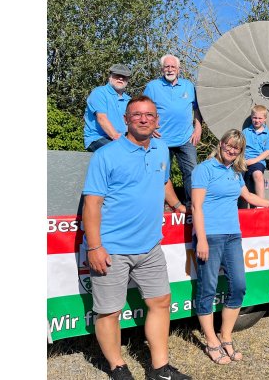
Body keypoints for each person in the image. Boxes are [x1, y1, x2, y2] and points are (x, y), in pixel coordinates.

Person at [81, 95, 191, 380]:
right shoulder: (106, 155)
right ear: (127, 120)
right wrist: (94, 246)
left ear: (157, 120)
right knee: (108, 312)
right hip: (112, 248)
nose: (143, 119)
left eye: (149, 115)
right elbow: (92, 204)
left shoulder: (161, 149)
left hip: (150, 246)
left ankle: (159, 368)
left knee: (161, 302)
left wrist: (179, 205)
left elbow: (163, 180)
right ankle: (118, 367)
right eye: (137, 114)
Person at [192, 129, 269, 365]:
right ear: (221, 144)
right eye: (229, 145)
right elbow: (196, 207)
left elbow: (249, 197)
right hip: (209, 236)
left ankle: (226, 336)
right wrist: (201, 239)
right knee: (207, 289)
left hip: (233, 236)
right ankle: (211, 340)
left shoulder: (235, 172)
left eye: (237, 148)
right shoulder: (204, 169)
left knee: (239, 286)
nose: (231, 151)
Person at [143, 54, 203, 206]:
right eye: (167, 67)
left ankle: (192, 207)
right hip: (160, 139)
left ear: (179, 69)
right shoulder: (152, 87)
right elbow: (144, 109)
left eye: (173, 67)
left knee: (192, 172)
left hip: (186, 138)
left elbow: (197, 109)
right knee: (161, 173)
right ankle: (161, 206)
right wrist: (149, 128)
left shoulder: (188, 85)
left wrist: (198, 127)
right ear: (162, 69)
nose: (170, 69)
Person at [83, 64, 133, 152]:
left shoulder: (129, 100)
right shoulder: (99, 93)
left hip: (121, 139)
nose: (121, 78)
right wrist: (117, 138)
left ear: (128, 79)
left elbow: (132, 123)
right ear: (110, 77)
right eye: (117, 75)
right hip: (98, 139)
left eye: (124, 76)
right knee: (120, 151)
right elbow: (102, 118)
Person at [242, 105, 269, 203]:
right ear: (251, 117)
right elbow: (240, 147)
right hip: (244, 161)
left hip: (258, 161)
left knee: (258, 175)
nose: (257, 120)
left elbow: (267, 151)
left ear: (265, 119)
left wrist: (254, 161)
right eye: (255, 117)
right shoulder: (246, 132)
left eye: (260, 118)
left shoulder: (268, 134)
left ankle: (261, 204)